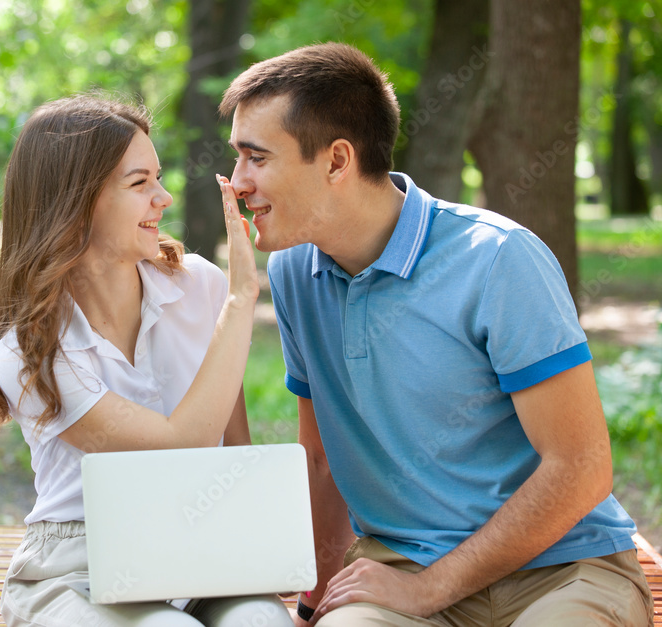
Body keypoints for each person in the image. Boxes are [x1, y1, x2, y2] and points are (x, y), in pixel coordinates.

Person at [217, 43, 654, 627]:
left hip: (560, 569)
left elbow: (581, 466)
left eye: (256, 158)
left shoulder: (498, 259)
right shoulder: (296, 272)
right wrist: (313, 601)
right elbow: (321, 460)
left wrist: (435, 590)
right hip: (399, 570)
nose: (238, 181)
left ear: (337, 161)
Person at [0, 95, 294, 627]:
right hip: (77, 563)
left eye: (159, 177)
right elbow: (179, 444)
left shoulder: (203, 288)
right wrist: (243, 300)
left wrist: (257, 547)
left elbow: (230, 451)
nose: (164, 198)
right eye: (139, 183)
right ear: (75, 202)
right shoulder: (28, 350)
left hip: (200, 544)